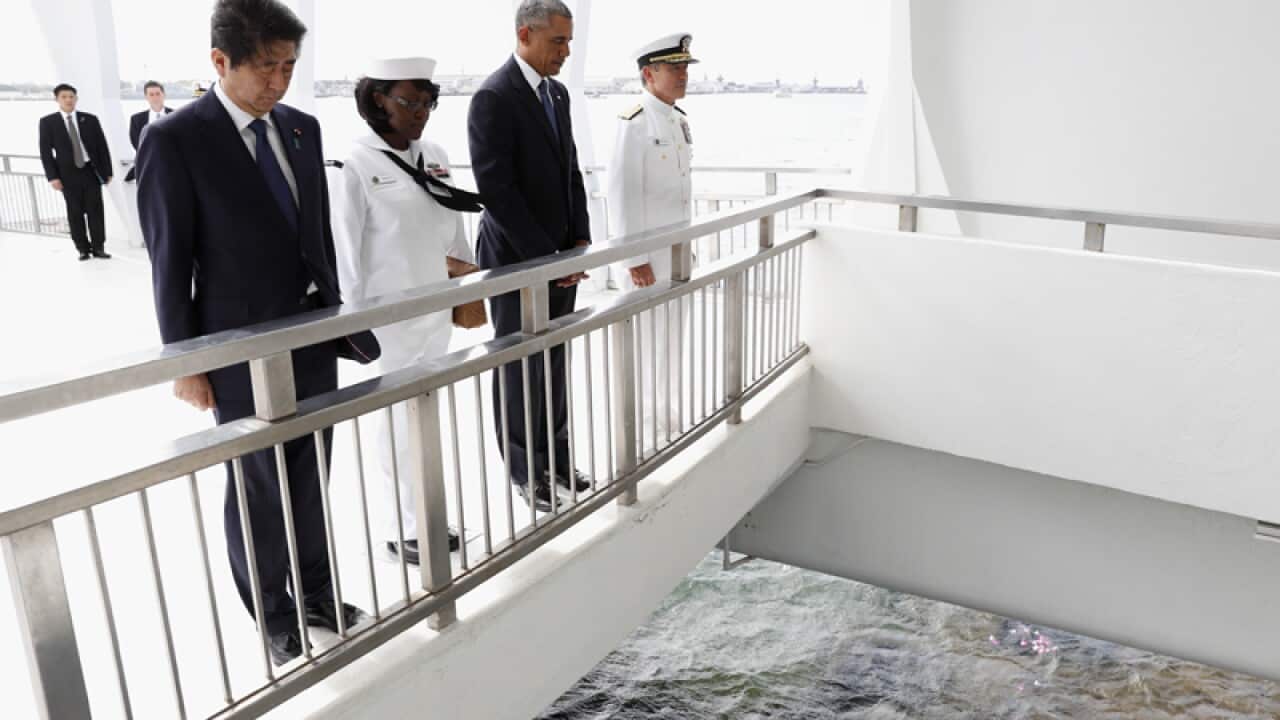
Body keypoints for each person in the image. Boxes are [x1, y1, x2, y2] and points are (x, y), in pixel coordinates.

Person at [136, 0, 379, 666]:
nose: (278, 82)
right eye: (266, 67)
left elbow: (315, 235)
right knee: (257, 480)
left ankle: (320, 594)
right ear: (221, 61)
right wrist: (187, 360)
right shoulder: (175, 140)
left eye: (289, 66)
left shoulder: (301, 129)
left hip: (311, 335)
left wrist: (338, 316)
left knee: (311, 471)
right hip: (238, 345)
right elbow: (170, 257)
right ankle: (273, 614)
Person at [332, 56, 483, 564]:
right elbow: (347, 252)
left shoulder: (433, 153)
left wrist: (465, 288)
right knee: (397, 423)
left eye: (427, 102)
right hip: (389, 319)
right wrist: (354, 324)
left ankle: (429, 514)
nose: (420, 112)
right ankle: (406, 526)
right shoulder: (355, 163)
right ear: (378, 99)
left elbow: (454, 229)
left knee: (426, 416)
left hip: (434, 311)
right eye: (409, 102)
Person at [469, 0, 592, 512]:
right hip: (517, 259)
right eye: (557, 42)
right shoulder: (494, 97)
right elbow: (496, 190)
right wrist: (546, 257)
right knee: (519, 364)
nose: (565, 52)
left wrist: (581, 239)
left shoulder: (557, 94)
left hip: (560, 255)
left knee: (555, 356)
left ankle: (558, 459)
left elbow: (571, 170)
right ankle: (527, 472)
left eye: (568, 42)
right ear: (525, 35)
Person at [607, 33, 698, 449]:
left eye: (684, 67)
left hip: (675, 253)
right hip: (645, 261)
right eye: (674, 67)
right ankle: (639, 428)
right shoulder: (635, 122)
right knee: (644, 345)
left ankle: (667, 416)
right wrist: (634, 258)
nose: (682, 74)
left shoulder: (677, 120)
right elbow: (622, 194)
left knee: (671, 338)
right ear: (649, 74)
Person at [38, 83, 114, 261]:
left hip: (90, 171)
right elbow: (45, 153)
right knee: (75, 212)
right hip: (67, 174)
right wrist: (53, 177)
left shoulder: (90, 119)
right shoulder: (48, 122)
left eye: (71, 96)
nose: (68, 100)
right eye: (64, 97)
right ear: (57, 99)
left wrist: (107, 171)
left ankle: (98, 247)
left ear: (76, 99)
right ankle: (82, 248)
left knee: (96, 211)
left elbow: (102, 147)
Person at [124, 81, 173, 181]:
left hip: (172, 166)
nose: (155, 97)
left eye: (158, 94)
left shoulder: (177, 115)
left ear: (163, 95)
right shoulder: (136, 119)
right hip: (147, 167)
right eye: (151, 94)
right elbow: (136, 143)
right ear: (146, 97)